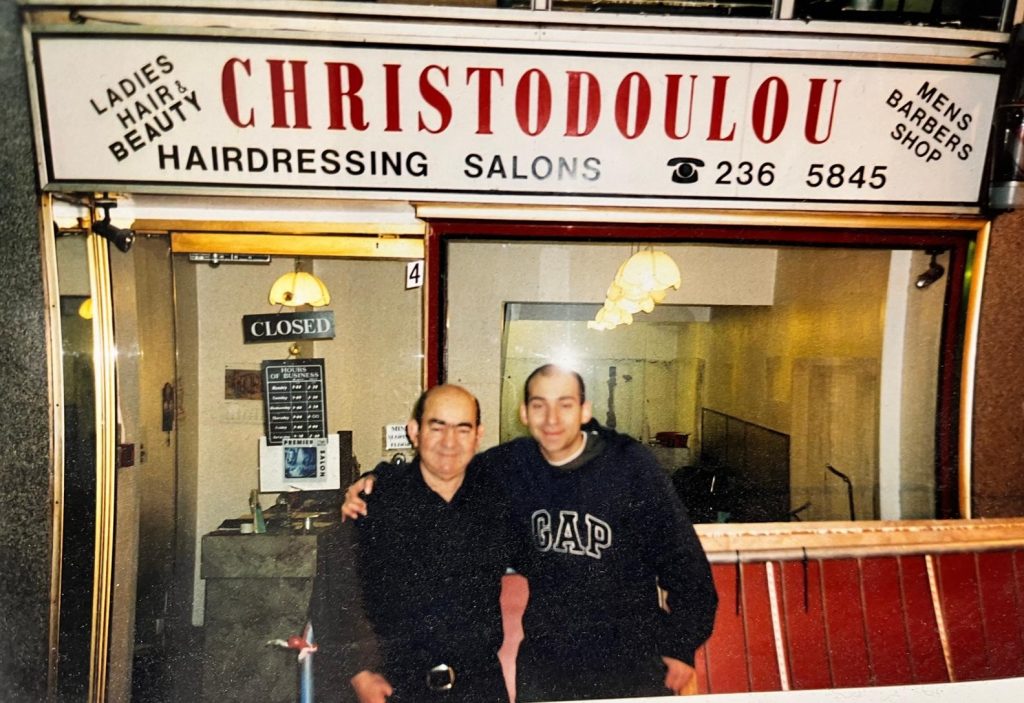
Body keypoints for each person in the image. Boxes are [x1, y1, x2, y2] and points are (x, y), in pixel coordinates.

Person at [344, 365, 718, 701]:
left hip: (629, 664)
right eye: (539, 405)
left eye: (565, 404)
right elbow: (443, 463)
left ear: (585, 411)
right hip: (546, 666)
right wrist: (379, 479)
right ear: (524, 414)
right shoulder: (511, 466)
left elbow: (685, 563)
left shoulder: (630, 465)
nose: (552, 418)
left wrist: (680, 645)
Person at [344, 384, 518, 703]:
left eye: (462, 428)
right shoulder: (378, 500)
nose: (449, 442)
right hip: (396, 688)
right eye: (437, 427)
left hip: (481, 688)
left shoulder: (499, 498)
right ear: (415, 431)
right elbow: (340, 592)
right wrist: (359, 672)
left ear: (478, 435)